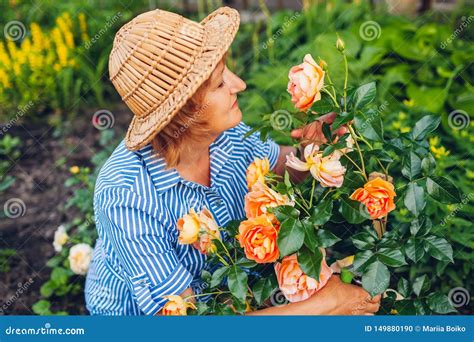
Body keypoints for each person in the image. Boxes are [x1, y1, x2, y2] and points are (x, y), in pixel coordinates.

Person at [85, 6, 381, 316]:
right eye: (218, 83)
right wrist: (324, 305)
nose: (238, 84)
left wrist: (312, 149)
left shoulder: (223, 134)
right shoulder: (126, 196)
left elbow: (278, 168)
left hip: (229, 287)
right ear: (181, 112)